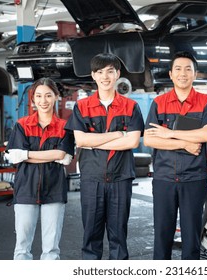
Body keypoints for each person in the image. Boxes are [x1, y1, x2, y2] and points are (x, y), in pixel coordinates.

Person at [65, 53, 144, 260]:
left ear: (118, 74)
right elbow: (81, 141)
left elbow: (132, 142)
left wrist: (96, 141)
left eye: (110, 71)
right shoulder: (82, 106)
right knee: (91, 236)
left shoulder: (131, 106)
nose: (105, 76)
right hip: (92, 178)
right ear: (93, 75)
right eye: (100, 72)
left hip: (121, 178)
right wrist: (118, 134)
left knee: (119, 236)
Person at [144, 51, 207, 260]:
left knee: (192, 237)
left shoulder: (205, 102)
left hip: (194, 179)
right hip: (164, 178)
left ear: (195, 74)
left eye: (188, 69)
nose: (183, 73)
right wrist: (186, 143)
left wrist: (169, 134)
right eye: (178, 69)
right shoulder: (159, 103)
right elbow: (150, 139)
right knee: (162, 235)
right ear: (170, 74)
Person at [6, 77, 75, 260]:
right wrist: (52, 155)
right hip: (25, 189)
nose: (43, 101)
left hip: (54, 189)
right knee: (22, 248)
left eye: (48, 95)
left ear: (56, 97)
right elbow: (14, 156)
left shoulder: (64, 127)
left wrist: (26, 155)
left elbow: (64, 157)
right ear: (33, 99)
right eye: (38, 96)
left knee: (51, 250)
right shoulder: (22, 125)